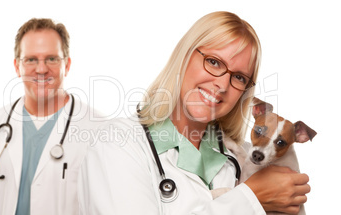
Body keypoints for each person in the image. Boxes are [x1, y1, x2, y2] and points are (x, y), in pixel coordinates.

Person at [77, 11, 310, 214]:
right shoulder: (118, 144)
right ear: (185, 54)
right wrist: (250, 198)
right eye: (214, 62)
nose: (222, 85)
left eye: (239, 77)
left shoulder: (243, 159)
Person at [0, 18, 103, 215]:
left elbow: (111, 202)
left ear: (67, 65)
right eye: (31, 59)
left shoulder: (99, 129)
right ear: (17, 66)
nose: (41, 69)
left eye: (52, 58)